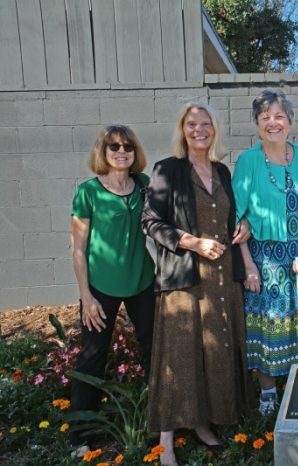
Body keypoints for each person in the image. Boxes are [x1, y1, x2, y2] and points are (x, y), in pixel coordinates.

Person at [142, 102, 254, 465]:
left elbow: (232, 216)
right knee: (180, 355)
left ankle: (204, 425)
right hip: (184, 278)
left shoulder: (222, 171)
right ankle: (167, 440)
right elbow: (151, 221)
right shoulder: (168, 169)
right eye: (192, 124)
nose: (199, 130)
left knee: (215, 352)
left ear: (214, 130)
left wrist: (244, 227)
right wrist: (192, 242)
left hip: (222, 278)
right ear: (183, 129)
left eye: (205, 124)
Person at [69, 125, 155, 455]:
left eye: (127, 146)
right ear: (103, 152)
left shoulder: (144, 186)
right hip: (101, 287)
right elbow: (78, 249)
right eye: (114, 146)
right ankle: (80, 435)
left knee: (153, 350)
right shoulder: (88, 191)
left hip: (142, 281)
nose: (121, 151)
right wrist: (86, 296)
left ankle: (157, 422)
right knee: (92, 356)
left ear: (135, 153)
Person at [232, 90, 298, 414]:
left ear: (290, 122)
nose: (273, 123)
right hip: (264, 261)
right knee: (267, 326)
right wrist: (248, 266)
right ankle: (268, 393)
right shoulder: (248, 161)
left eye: (279, 116)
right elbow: (237, 218)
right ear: (256, 124)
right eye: (265, 117)